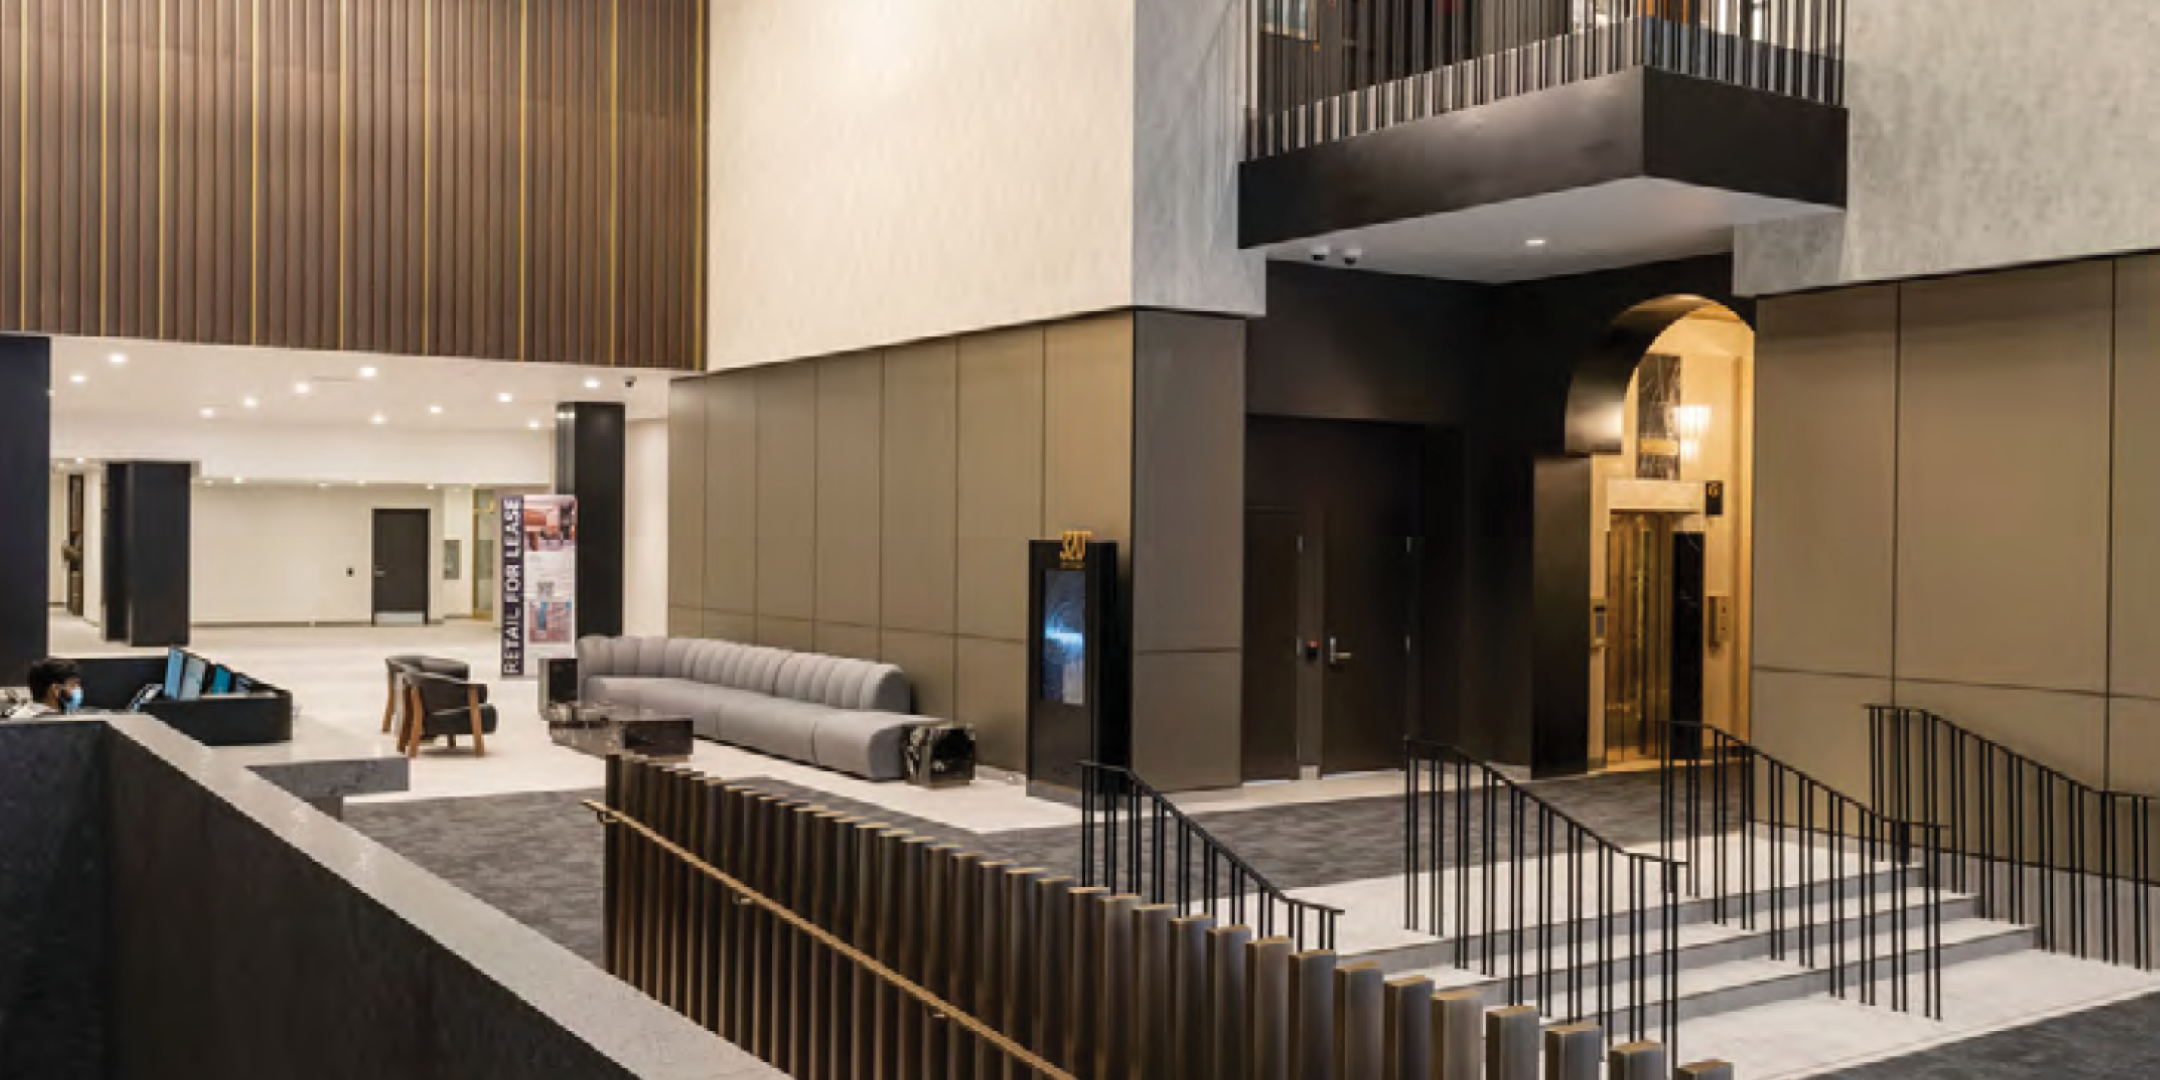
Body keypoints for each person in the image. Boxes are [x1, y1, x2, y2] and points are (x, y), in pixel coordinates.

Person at [4, 658, 82, 719]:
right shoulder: (55, 726)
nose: (78, 689)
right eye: (73, 684)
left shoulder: (20, 717)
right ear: (55, 689)